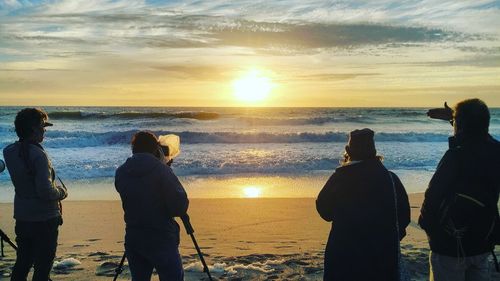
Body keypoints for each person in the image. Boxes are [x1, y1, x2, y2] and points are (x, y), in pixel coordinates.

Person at [419, 98, 500, 281]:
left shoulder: (455, 156)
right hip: (482, 240)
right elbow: (479, 138)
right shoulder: (496, 152)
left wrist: (429, 228)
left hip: (449, 246)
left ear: (461, 126)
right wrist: (454, 119)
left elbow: (432, 195)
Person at [316, 128, 410, 281]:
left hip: (343, 253)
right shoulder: (390, 178)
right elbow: (403, 218)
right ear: (374, 151)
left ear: (348, 151)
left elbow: (324, 211)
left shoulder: (340, 178)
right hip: (382, 255)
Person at [3, 108, 68, 281]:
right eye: (42, 127)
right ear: (34, 129)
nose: (44, 131)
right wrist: (62, 192)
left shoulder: (9, 152)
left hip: (23, 216)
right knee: (43, 267)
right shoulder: (39, 155)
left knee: (23, 262)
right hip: (45, 218)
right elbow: (45, 191)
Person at [115, 131, 189, 281]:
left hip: (134, 236)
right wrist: (167, 168)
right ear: (156, 149)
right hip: (161, 237)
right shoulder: (162, 171)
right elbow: (179, 206)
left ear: (133, 149)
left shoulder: (121, 172)